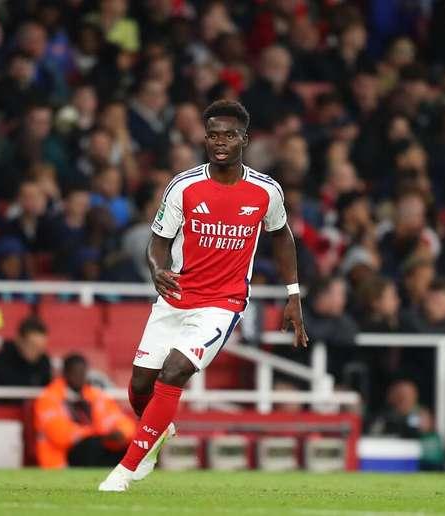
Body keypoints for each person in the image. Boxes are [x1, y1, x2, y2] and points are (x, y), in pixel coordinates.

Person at [99, 100, 307, 491]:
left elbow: (281, 235)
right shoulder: (185, 185)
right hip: (176, 296)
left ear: (244, 138)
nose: (220, 142)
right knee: (140, 386)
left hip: (222, 303)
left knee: (175, 370)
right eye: (213, 135)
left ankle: (125, 470)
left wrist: (292, 294)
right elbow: (157, 241)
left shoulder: (266, 191)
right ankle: (157, 431)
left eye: (229, 134)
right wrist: (155, 270)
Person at [34, 354, 135, 469]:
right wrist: (98, 434)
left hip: (96, 448)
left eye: (83, 373)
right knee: (92, 445)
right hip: (62, 458)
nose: (80, 377)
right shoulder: (48, 397)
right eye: (75, 373)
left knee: (132, 447)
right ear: (65, 373)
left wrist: (121, 432)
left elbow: (120, 420)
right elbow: (59, 434)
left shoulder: (94, 395)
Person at [0, 316, 52, 390]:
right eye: (32, 346)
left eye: (40, 348)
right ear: (19, 340)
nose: (37, 352)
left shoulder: (44, 362)